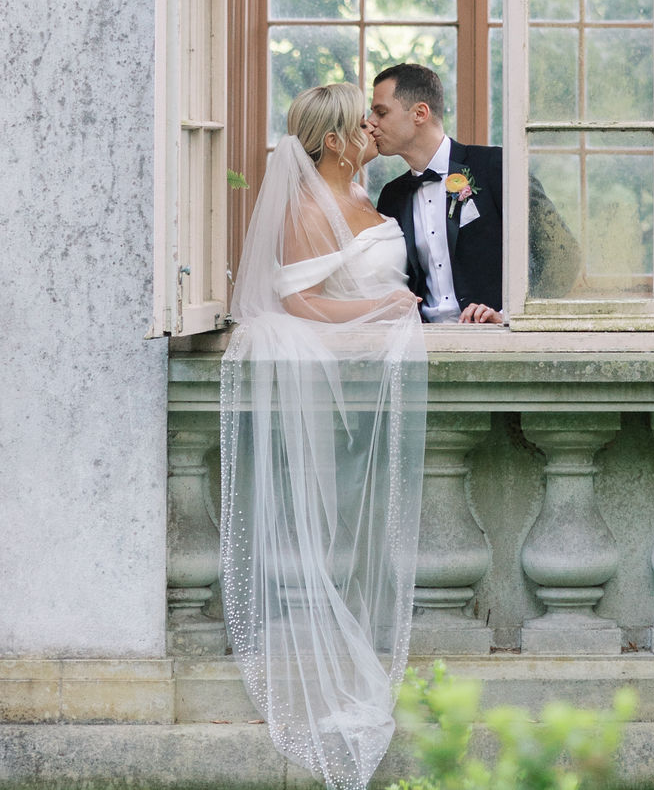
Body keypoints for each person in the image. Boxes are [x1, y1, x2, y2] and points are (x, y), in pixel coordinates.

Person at [220, 83, 426, 790]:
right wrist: (389, 304)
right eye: (359, 123)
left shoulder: (375, 198)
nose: (372, 128)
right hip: (344, 369)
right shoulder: (308, 208)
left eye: (374, 118)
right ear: (334, 142)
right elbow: (300, 301)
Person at [369, 63, 579, 323]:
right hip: (422, 343)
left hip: (495, 342)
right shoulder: (392, 195)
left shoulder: (495, 167)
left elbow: (563, 256)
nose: (370, 123)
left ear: (420, 113)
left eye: (381, 112)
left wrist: (508, 317)